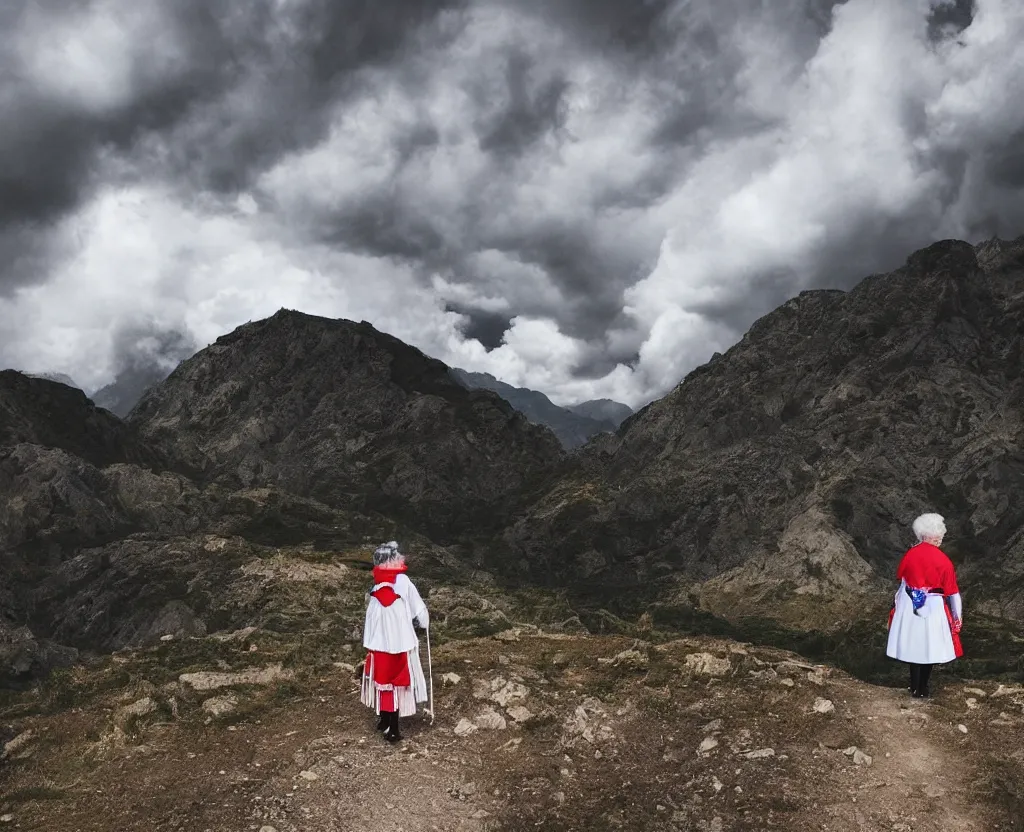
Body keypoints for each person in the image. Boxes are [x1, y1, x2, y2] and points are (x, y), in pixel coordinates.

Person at [886, 513, 963, 698]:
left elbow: (903, 582)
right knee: (930, 648)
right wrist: (957, 617)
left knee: (915, 648)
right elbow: (952, 592)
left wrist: (897, 606)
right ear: (935, 536)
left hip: (910, 606)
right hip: (934, 607)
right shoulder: (944, 561)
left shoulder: (910, 555)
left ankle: (913, 687)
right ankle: (923, 688)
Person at [360, 541, 429, 742]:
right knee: (397, 682)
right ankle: (393, 728)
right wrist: (424, 622)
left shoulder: (376, 588)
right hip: (400, 641)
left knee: (381, 680)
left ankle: (383, 719)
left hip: (378, 644)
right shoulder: (403, 583)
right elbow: (418, 609)